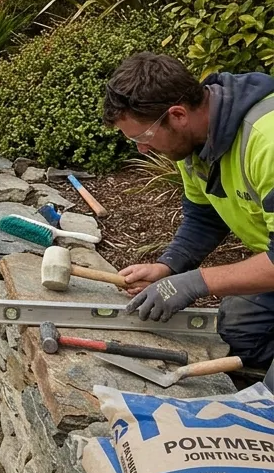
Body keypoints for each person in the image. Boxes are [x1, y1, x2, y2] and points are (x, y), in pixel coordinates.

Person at [102, 52, 274, 388]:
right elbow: (205, 217)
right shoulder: (194, 143)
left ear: (177, 115)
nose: (143, 151)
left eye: (143, 138)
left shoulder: (266, 142)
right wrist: (169, 267)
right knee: (239, 328)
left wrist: (194, 283)